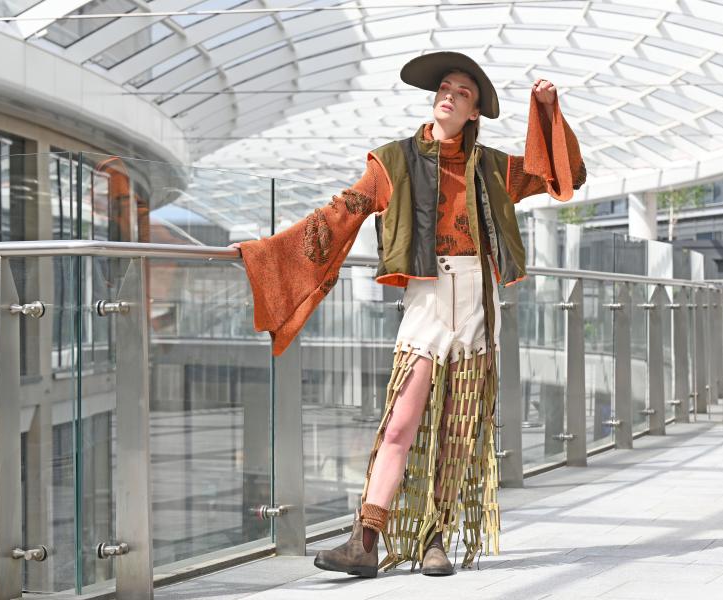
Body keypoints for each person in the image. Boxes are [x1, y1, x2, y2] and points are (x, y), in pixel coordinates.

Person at [233, 51, 585, 578]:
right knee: (400, 423)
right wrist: (267, 253)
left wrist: (547, 109)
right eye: (444, 86)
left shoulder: (493, 168)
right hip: (425, 297)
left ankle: (434, 541)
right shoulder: (392, 161)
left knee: (456, 431)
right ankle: (365, 539)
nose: (448, 94)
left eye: (462, 93)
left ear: (474, 113)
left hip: (478, 302)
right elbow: (340, 213)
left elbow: (560, 175)